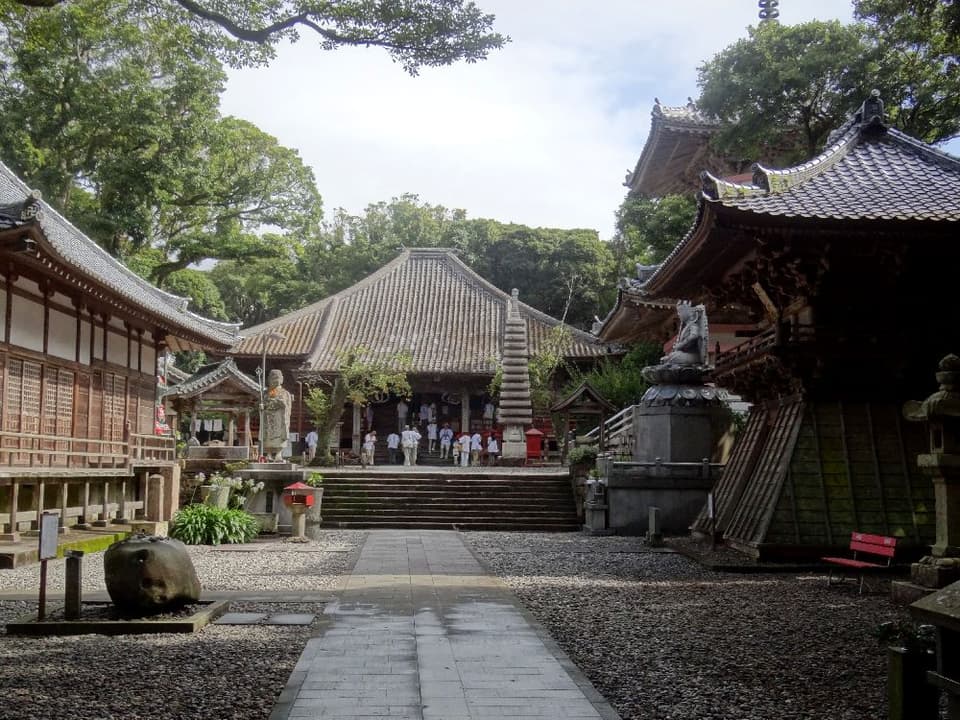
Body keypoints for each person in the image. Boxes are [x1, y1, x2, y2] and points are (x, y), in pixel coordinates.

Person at [262, 369, 293, 461]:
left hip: (279, 418)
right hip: (268, 418)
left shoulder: (285, 393)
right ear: (268, 380)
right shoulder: (265, 393)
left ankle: (279, 454)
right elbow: (262, 404)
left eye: (277, 378)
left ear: (281, 379)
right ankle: (268, 454)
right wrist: (261, 407)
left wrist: (283, 404)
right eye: (272, 378)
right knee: (268, 435)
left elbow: (288, 406)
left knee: (279, 435)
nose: (275, 380)